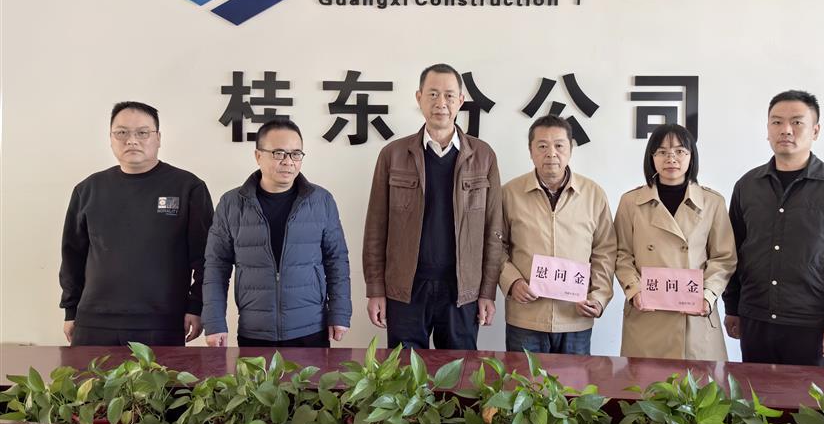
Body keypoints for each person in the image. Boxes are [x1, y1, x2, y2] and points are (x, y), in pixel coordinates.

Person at [723, 91, 824, 366]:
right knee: (755, 394)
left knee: (812, 396)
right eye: (777, 122)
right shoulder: (748, 186)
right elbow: (733, 251)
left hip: (815, 325)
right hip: (756, 320)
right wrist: (732, 306)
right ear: (767, 129)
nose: (786, 130)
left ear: (815, 130)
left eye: (797, 122)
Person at [362, 63, 502, 349]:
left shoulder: (483, 156)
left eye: (449, 95)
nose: (441, 103)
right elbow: (376, 227)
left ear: (460, 100)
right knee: (403, 371)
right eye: (433, 94)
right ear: (419, 98)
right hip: (405, 289)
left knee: (461, 371)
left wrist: (487, 291)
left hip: (462, 290)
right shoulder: (393, 154)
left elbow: (493, 230)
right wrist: (375, 289)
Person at [59, 101, 213, 346]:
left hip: (162, 322)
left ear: (158, 138)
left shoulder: (188, 187)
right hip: (94, 321)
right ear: (110, 138)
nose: (132, 141)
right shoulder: (88, 190)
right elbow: (72, 256)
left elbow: (206, 256)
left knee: (161, 375)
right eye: (122, 133)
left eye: (142, 133)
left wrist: (196, 306)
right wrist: (70, 309)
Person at [203, 119, 351, 347]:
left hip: (311, 328)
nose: (288, 161)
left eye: (296, 154)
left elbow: (337, 260)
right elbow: (216, 265)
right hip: (255, 330)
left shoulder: (321, 201)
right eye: (278, 153)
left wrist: (340, 313)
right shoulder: (231, 204)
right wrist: (214, 322)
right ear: (258, 156)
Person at [614, 124, 736, 360]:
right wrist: (634, 289)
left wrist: (708, 294)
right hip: (647, 315)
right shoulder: (630, 202)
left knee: (698, 382)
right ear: (652, 157)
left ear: (691, 156)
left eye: (680, 151)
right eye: (662, 152)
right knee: (646, 382)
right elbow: (621, 254)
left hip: (695, 317)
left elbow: (724, 258)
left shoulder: (712, 202)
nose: (671, 158)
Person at [499, 116, 616, 354]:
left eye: (559, 145)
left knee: (574, 379)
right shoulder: (509, 193)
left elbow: (605, 250)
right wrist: (512, 282)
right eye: (542, 146)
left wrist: (599, 297)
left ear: (570, 149)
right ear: (530, 151)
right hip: (526, 317)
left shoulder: (593, 194)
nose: (551, 153)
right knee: (523, 378)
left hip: (576, 316)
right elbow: (495, 247)